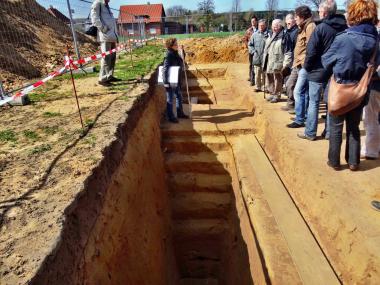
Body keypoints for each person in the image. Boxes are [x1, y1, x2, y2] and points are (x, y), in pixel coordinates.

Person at [321, 0, 378, 171]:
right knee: (354, 126)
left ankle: (334, 161)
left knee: (336, 126)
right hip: (361, 90)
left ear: (353, 15)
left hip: (340, 88)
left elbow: (326, 61)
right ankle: (353, 162)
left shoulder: (343, 38)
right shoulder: (376, 40)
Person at [298, 0, 347, 141]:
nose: (318, 14)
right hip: (336, 71)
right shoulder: (344, 27)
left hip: (318, 71)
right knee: (330, 102)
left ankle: (310, 133)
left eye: (319, 12)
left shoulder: (321, 28)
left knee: (314, 102)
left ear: (324, 13)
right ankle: (329, 133)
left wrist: (307, 68)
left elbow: (311, 51)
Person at [287, 6, 316, 128]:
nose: (295, 19)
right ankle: (302, 116)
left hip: (305, 65)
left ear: (302, 17)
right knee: (303, 92)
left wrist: (306, 64)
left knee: (298, 92)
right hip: (299, 64)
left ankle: (299, 119)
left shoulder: (310, 27)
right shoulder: (303, 27)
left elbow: (311, 47)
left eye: (296, 16)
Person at [91, 0, 120, 87]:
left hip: (112, 36)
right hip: (105, 37)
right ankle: (102, 79)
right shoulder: (97, 3)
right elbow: (94, 18)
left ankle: (109, 76)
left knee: (112, 58)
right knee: (106, 58)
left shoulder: (107, 6)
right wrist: (103, 28)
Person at [163, 38, 189, 123]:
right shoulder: (169, 55)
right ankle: (171, 117)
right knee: (170, 99)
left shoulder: (175, 53)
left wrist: (182, 52)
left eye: (177, 44)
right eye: (175, 44)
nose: (177, 45)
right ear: (171, 46)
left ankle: (180, 113)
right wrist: (166, 82)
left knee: (179, 96)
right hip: (170, 81)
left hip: (176, 79)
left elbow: (181, 61)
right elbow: (165, 69)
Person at [263, 19, 285, 103]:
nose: (274, 28)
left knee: (277, 78)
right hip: (269, 60)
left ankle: (277, 94)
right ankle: (272, 93)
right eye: (273, 26)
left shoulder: (283, 35)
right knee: (269, 77)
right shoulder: (270, 35)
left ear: (280, 26)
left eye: (276, 26)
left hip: (278, 60)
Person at [281, 13, 299, 113]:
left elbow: (295, 48)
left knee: (292, 84)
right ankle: (290, 103)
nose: (288, 24)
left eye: (289, 22)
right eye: (287, 23)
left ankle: (293, 105)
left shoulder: (296, 32)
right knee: (288, 82)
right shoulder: (287, 32)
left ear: (294, 21)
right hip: (288, 60)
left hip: (294, 61)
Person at [248, 19, 269, 92]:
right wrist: (253, 52)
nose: (261, 27)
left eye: (263, 25)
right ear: (258, 25)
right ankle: (258, 86)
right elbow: (250, 45)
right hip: (257, 57)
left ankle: (264, 87)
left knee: (264, 74)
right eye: (260, 25)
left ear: (265, 25)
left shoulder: (269, 34)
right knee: (257, 73)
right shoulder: (254, 34)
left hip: (265, 58)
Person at [244, 17, 258, 85]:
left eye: (254, 21)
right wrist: (248, 47)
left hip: (258, 50)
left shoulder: (259, 29)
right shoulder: (249, 30)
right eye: (251, 21)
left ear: (256, 22)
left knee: (256, 65)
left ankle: (254, 79)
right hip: (251, 50)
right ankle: (251, 77)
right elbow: (245, 39)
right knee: (251, 64)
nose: (252, 22)